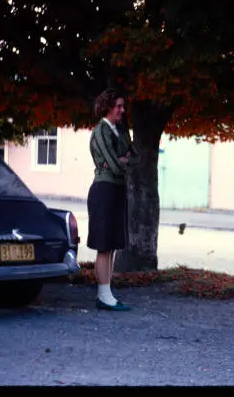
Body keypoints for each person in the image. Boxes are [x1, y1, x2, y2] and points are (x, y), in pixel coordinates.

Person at [87, 88, 139, 311]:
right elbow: (116, 164)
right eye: (118, 106)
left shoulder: (119, 131)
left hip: (117, 189)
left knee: (113, 246)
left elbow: (134, 157)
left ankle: (107, 294)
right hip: (104, 190)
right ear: (107, 106)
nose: (122, 110)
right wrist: (121, 161)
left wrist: (123, 160)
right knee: (104, 245)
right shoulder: (100, 131)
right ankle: (103, 295)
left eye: (122, 106)